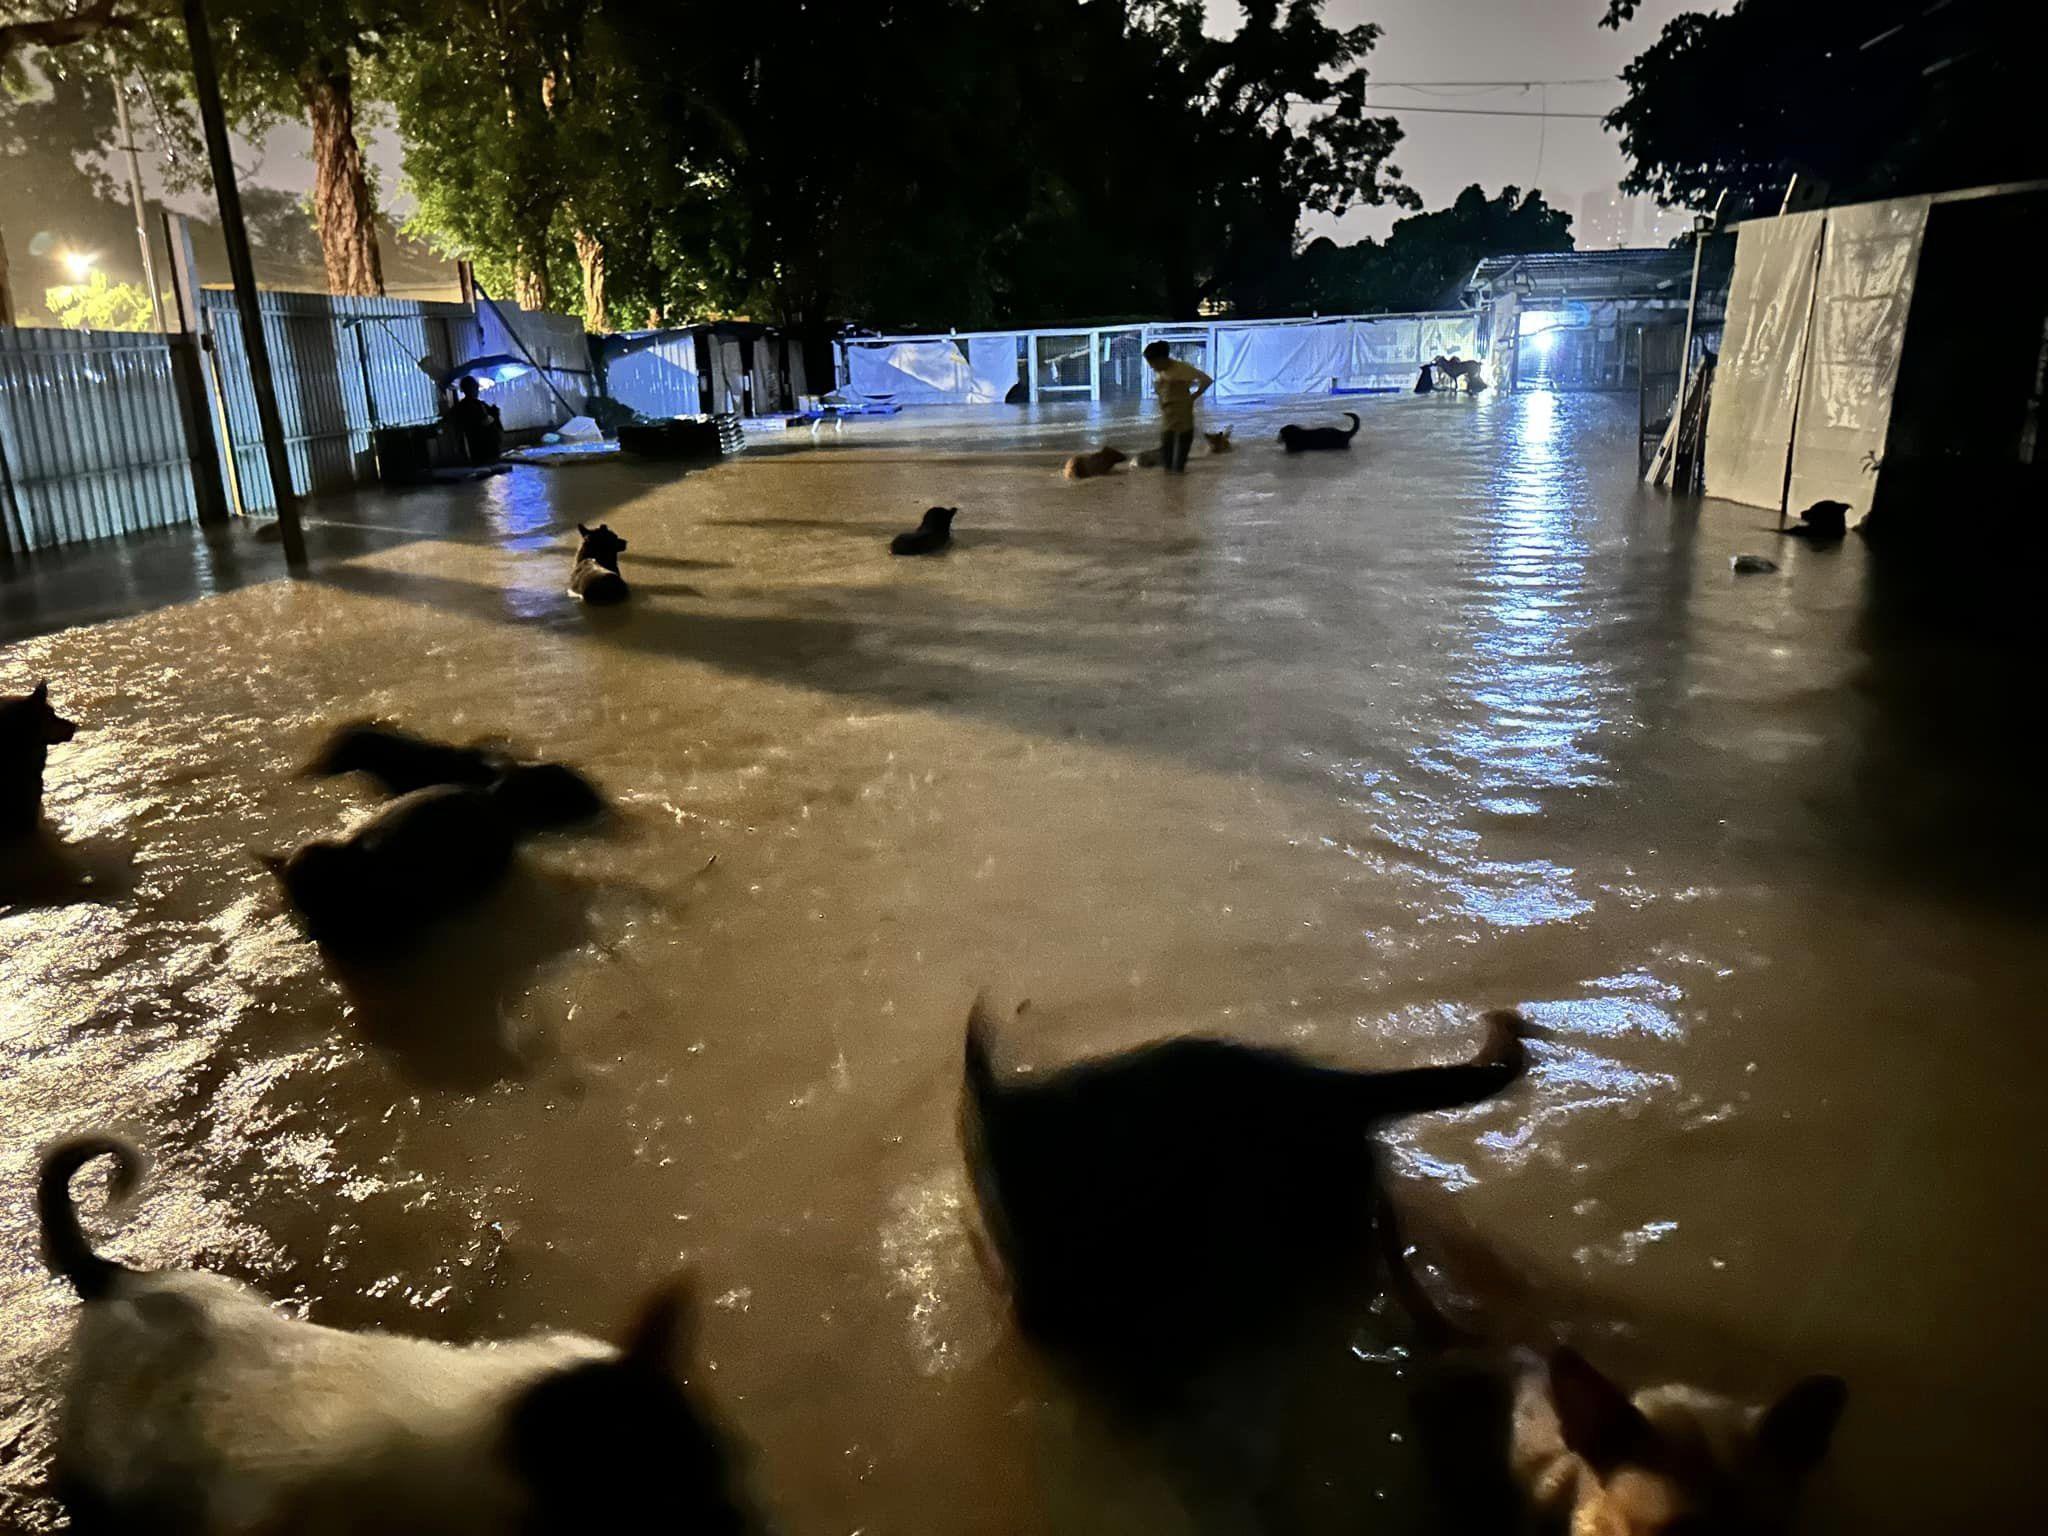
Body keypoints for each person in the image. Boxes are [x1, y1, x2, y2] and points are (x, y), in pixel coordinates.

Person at [1142, 341, 1213, 474]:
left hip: (1183, 419)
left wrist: (1194, 396)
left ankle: (1178, 486)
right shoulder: (1161, 371)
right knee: (1167, 461)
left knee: (1179, 463)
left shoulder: (1182, 369)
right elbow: (1161, 392)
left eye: (1153, 363)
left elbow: (1207, 380)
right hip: (1168, 418)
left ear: (1163, 358)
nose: (1151, 366)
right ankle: (1171, 487)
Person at [443, 375, 503, 465]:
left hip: (474, 447)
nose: (477, 390)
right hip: (487, 446)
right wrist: (495, 414)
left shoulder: (460, 407)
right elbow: (486, 423)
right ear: (471, 388)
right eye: (475, 387)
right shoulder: (477, 405)